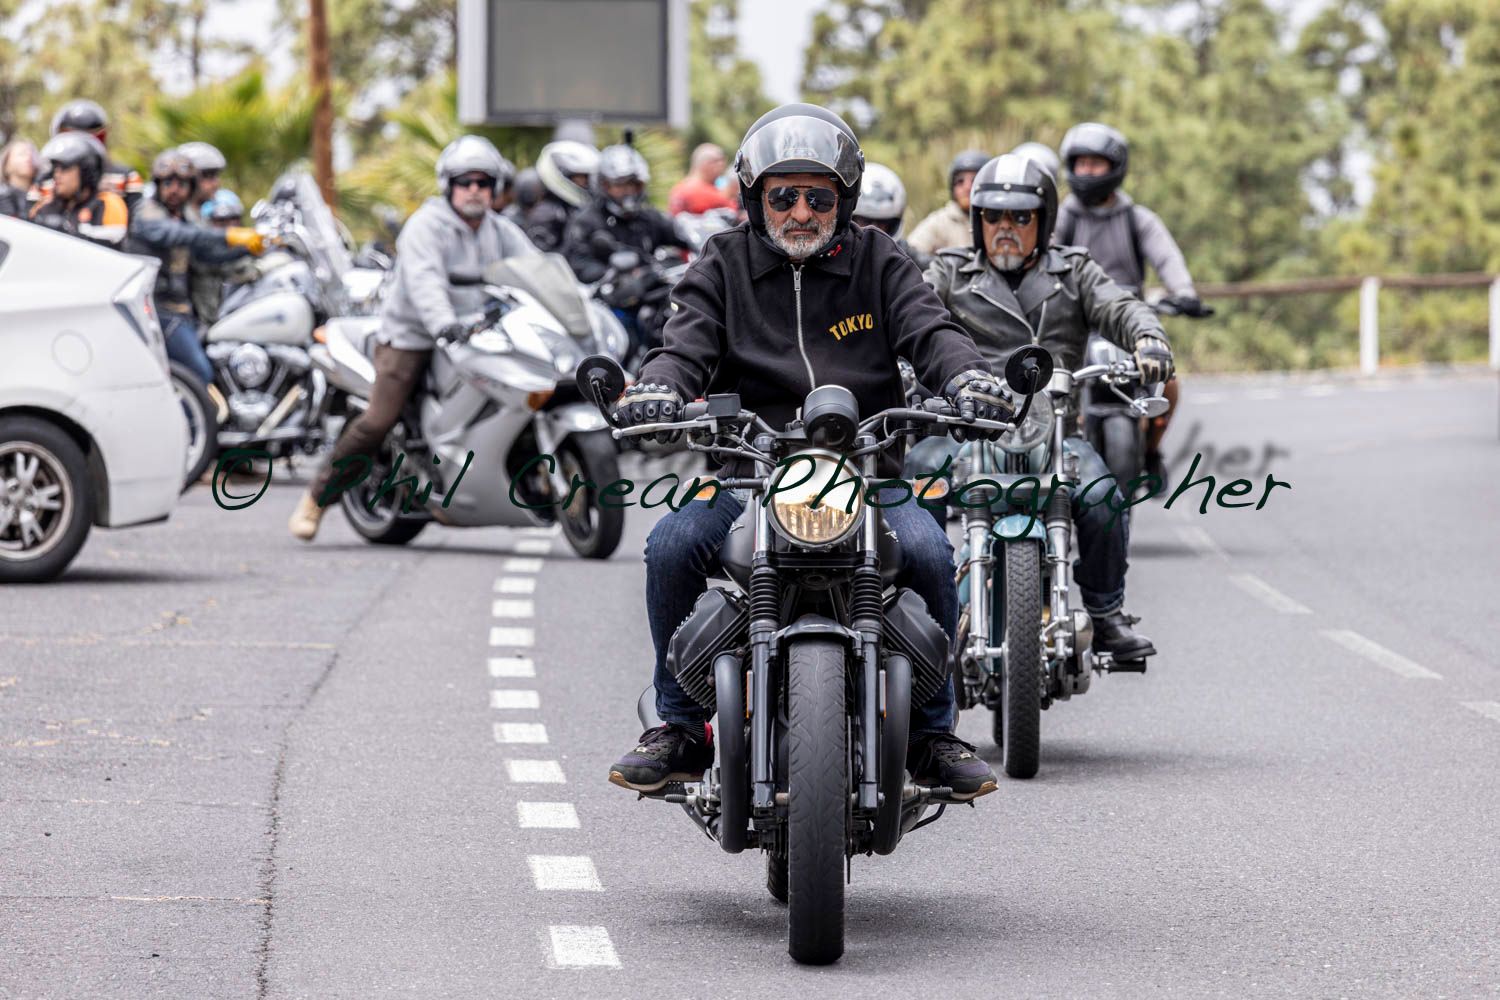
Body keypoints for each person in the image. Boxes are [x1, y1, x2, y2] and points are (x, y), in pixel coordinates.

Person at [605, 102, 1013, 801]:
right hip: (749, 472)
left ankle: (931, 734)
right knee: (671, 544)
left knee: (929, 554)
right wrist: (656, 391)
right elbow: (684, 344)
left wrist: (967, 376)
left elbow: (931, 329)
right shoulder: (724, 261)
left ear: (842, 200)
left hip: (868, 471)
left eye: (817, 197)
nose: (800, 211)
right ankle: (675, 726)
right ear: (756, 198)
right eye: (783, 195)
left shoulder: (880, 261)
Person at [924, 153, 1173, 660]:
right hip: (968, 427)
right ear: (977, 222)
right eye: (993, 216)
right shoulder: (950, 273)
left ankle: (1105, 616)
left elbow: (1119, 306)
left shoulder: (1074, 270)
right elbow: (915, 315)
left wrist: (1147, 338)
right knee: (912, 488)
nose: (1005, 228)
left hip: (1058, 429)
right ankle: (918, 613)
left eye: (1020, 217)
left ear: (1045, 219)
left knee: (1105, 498)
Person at [287, 135, 539, 540]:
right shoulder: (427, 225)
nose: (474, 189)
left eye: (483, 181)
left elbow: (535, 268)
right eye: (465, 181)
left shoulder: (500, 230)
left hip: (477, 334)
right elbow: (425, 284)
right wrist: (442, 325)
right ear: (448, 185)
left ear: (494, 188)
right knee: (379, 420)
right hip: (413, 336)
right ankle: (316, 500)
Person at [1055, 122, 1209, 482]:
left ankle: (1152, 450)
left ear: (1116, 167)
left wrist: (1183, 292)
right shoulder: (1062, 217)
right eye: (1081, 163)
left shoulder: (1137, 219)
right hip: (1076, 326)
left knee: (1168, 384)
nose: (1087, 171)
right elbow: (1046, 254)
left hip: (1129, 327)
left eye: (1097, 163)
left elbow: (1167, 257)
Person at [128, 149, 266, 385]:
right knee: (200, 374)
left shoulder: (185, 218)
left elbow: (208, 256)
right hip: (157, 309)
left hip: (183, 312)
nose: (174, 189)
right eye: (168, 182)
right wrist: (228, 235)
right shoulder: (148, 212)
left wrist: (256, 247)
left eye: (181, 184)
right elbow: (175, 235)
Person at [560, 143, 688, 283]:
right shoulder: (587, 221)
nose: (628, 190)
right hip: (605, 300)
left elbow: (680, 233)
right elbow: (577, 264)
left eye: (634, 184)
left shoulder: (648, 217)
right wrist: (613, 276)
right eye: (619, 184)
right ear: (604, 185)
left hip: (654, 294)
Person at [28, 133, 129, 248]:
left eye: (65, 167)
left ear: (86, 170)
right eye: (55, 168)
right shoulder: (45, 206)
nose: (57, 174)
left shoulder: (108, 204)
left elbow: (114, 249)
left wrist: (69, 233)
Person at [48, 99, 144, 214]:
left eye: (90, 136)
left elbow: (138, 219)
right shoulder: (46, 178)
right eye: (69, 136)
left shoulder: (126, 177)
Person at [906, 148, 988, 255]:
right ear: (952, 187)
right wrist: (938, 265)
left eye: (975, 180)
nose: (967, 187)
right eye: (960, 181)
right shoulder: (940, 221)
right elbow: (910, 251)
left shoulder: (997, 221)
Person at [851, 161, 930, 269]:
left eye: (882, 223)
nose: (873, 230)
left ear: (893, 224)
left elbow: (930, 264)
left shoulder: (902, 252)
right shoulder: (837, 251)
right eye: (865, 221)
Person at [524, 140, 598, 252]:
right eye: (580, 177)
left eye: (587, 177)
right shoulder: (547, 215)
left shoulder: (577, 209)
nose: (586, 183)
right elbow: (543, 260)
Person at [667, 142, 737, 216]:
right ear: (706, 164)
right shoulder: (701, 191)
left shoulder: (678, 188)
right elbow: (733, 211)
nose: (722, 166)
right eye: (718, 162)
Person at [177, 141, 230, 223]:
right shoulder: (175, 218)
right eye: (209, 176)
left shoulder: (200, 218)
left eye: (215, 176)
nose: (216, 184)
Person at [1, 139, 40, 217]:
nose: (28, 158)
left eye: (32, 155)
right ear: (6, 163)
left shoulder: (43, 197)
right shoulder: (2, 196)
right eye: (22, 154)